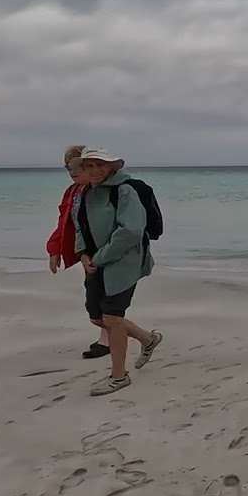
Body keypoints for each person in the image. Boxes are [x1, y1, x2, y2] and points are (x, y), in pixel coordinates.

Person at [72, 147, 164, 396]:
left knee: (112, 319)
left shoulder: (125, 191)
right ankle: (148, 339)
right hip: (96, 264)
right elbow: (79, 225)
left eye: (100, 165)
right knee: (98, 318)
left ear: (112, 166)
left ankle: (119, 377)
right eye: (89, 166)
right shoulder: (86, 192)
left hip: (124, 263)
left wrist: (100, 257)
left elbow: (131, 231)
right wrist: (82, 253)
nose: (95, 170)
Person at [47, 145, 111, 359]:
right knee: (95, 307)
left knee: (107, 303)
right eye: (68, 167)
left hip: (107, 253)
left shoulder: (103, 191)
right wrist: (55, 249)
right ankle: (115, 337)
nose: (72, 172)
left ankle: (127, 338)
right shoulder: (72, 192)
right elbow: (65, 222)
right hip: (86, 253)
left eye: (77, 166)